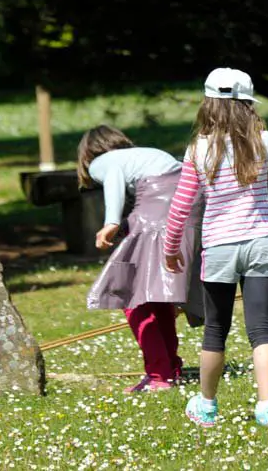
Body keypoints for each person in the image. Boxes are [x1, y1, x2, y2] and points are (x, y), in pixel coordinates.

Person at [164, 68, 268, 427]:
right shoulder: (262, 140)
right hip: (260, 242)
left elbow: (181, 206)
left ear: (208, 104)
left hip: (219, 247)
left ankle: (207, 405)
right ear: (249, 105)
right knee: (261, 328)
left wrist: (171, 248)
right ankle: (266, 407)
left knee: (215, 330)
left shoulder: (197, 149)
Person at [78, 125, 204, 393]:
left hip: (159, 204)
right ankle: (170, 370)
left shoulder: (102, 162)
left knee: (133, 298)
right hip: (190, 201)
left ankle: (159, 376)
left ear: (87, 153)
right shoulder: (144, 154)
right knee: (157, 296)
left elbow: (114, 178)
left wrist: (111, 223)